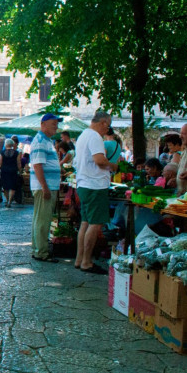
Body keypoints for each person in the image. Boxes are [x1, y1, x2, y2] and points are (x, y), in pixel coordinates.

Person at [74, 111, 118, 274]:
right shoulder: (95, 137)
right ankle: (86, 261)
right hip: (95, 185)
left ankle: (80, 259)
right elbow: (100, 160)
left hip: (84, 184)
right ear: (103, 123)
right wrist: (112, 166)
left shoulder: (84, 135)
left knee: (85, 222)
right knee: (95, 223)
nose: (108, 129)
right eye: (108, 125)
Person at [29, 115, 62, 262]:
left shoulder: (45, 141)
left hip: (46, 186)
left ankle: (38, 249)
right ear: (43, 124)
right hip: (45, 187)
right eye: (53, 124)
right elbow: (37, 165)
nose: (56, 126)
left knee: (40, 219)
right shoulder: (41, 141)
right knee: (43, 220)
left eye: (56, 124)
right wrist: (45, 187)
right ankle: (41, 252)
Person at [0, 138, 22, 208]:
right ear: (12, 144)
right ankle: (10, 201)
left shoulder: (2, 152)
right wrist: (20, 170)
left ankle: (7, 199)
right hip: (13, 171)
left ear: (6, 144)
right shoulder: (16, 153)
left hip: (4, 171)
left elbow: (0, 162)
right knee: (12, 186)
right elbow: (18, 163)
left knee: (5, 186)